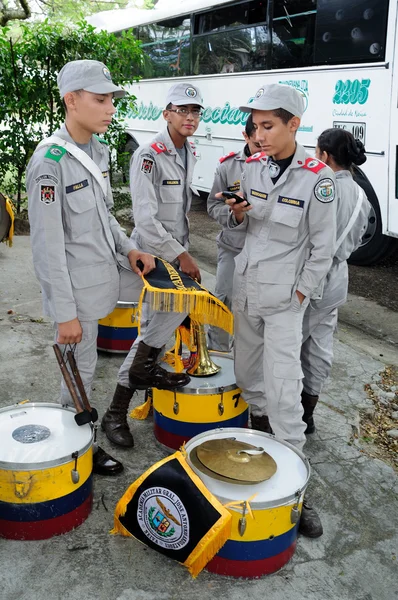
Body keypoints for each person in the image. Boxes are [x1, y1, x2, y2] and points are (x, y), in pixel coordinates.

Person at [27, 59, 158, 476]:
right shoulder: (50, 162)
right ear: (71, 100)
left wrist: (129, 249)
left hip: (98, 278)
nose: (110, 109)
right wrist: (64, 313)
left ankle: (80, 441)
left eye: (111, 100)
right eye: (100, 99)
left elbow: (103, 217)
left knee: (86, 368)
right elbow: (47, 248)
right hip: (74, 295)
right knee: (78, 373)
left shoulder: (96, 150)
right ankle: (78, 449)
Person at [222, 83, 338, 537]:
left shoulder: (317, 178)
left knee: (285, 389)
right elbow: (246, 225)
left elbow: (323, 248)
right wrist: (237, 213)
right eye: (256, 126)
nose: (260, 134)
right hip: (247, 290)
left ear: (294, 124)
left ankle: (296, 490)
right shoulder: (251, 167)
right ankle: (257, 448)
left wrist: (301, 294)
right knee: (248, 376)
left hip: (285, 300)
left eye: (269, 125)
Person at [102, 83, 204, 448]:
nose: (190, 117)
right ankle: (115, 412)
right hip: (155, 257)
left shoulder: (187, 150)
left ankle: (147, 381)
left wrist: (182, 251)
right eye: (183, 110)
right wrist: (181, 255)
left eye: (196, 111)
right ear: (167, 113)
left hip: (176, 251)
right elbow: (145, 220)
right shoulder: (149, 154)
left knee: (167, 322)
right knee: (150, 330)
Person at [301, 128, 371, 433]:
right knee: (319, 348)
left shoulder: (321, 187)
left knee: (287, 346)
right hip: (336, 282)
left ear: (325, 155)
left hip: (309, 280)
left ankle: (278, 411)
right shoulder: (361, 196)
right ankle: (307, 415)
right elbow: (355, 242)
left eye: (317, 152)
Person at [207, 115, 260, 351]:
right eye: (257, 144)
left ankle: (247, 359)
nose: (262, 150)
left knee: (255, 309)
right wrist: (235, 215)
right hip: (233, 248)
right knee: (223, 300)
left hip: (264, 253)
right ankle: (216, 354)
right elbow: (212, 205)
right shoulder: (228, 166)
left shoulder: (278, 166)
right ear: (245, 137)